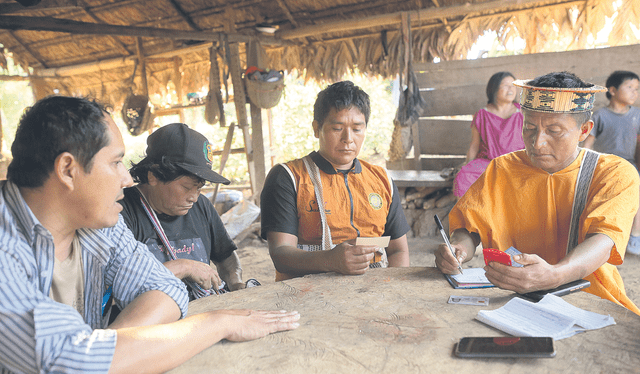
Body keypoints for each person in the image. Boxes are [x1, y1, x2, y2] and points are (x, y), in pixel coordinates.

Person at [0, 96, 299, 374]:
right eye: (116, 162)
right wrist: (215, 324)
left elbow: (166, 288)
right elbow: (67, 358)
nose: (128, 178)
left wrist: (107, 348)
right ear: (68, 169)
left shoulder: (97, 223)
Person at [435, 72, 640, 315]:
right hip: (513, 299)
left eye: (554, 130)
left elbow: (604, 241)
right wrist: (459, 249)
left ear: (584, 130)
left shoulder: (614, 173)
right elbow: (470, 228)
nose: (537, 142)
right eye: (529, 128)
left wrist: (555, 275)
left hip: (590, 300)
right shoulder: (502, 169)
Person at [260, 81, 411, 281]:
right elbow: (280, 254)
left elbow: (398, 251)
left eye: (357, 129)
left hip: (373, 290)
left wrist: (390, 289)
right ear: (316, 128)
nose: (348, 138)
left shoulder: (381, 180)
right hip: (306, 292)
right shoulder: (288, 178)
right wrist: (330, 261)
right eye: (337, 128)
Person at [119, 122, 247, 299]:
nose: (194, 197)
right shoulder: (121, 211)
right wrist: (184, 267)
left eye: (199, 188)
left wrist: (236, 283)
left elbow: (226, 256)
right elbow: (121, 282)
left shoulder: (201, 205)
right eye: (187, 187)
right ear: (153, 175)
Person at [582, 70, 640, 254]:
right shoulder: (599, 116)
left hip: (629, 164)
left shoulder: (637, 115)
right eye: (630, 87)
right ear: (613, 90)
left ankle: (635, 236)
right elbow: (587, 146)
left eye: (637, 89)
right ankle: (594, 237)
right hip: (605, 165)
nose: (634, 92)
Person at [453, 71, 525, 198]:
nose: (511, 89)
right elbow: (474, 144)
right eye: (505, 85)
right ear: (494, 88)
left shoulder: (523, 113)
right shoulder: (482, 114)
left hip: (516, 162)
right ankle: (469, 216)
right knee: (464, 176)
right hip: (488, 163)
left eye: (513, 85)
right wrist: (468, 164)